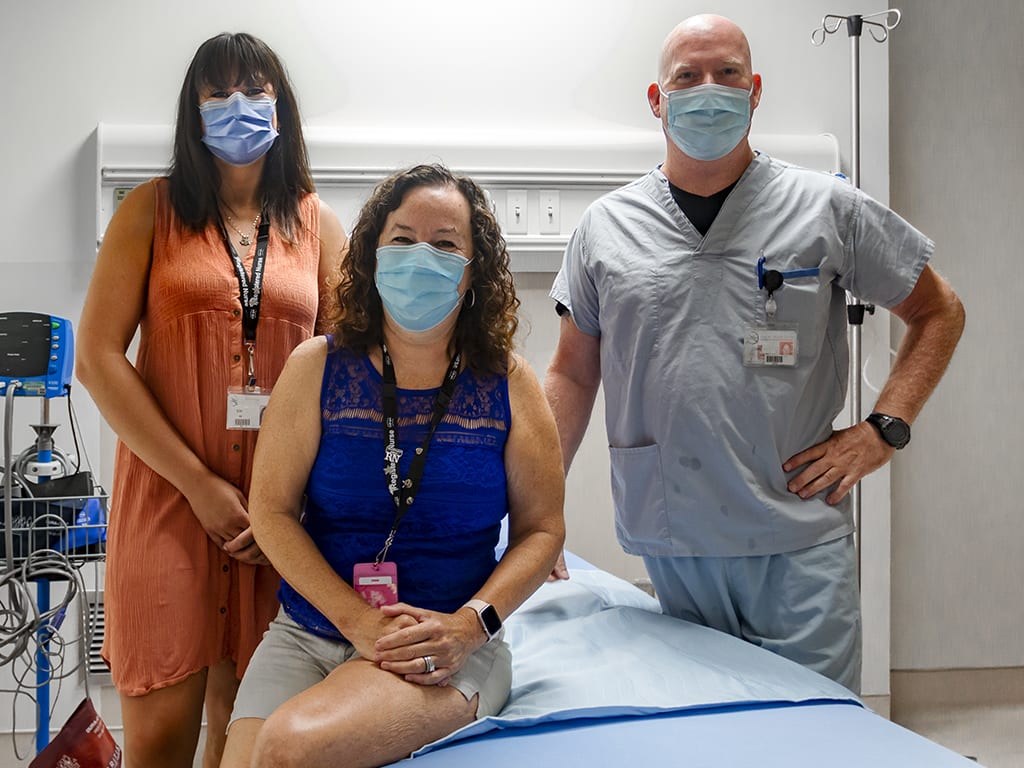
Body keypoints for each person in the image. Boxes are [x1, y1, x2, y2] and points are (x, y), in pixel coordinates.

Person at [543, 14, 964, 692]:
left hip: (796, 542)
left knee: (814, 740)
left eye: (727, 73)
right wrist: (540, 508)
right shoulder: (606, 228)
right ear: (658, 99)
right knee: (698, 740)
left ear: (755, 89)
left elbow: (939, 311)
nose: (708, 90)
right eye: (687, 76)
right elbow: (570, 373)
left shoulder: (826, 208)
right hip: (674, 541)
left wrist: (883, 429)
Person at [219, 163, 565, 768]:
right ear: (373, 255)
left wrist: (470, 626)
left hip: (446, 643)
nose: (420, 256)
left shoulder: (509, 383)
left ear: (472, 271)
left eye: (445, 244)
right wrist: (357, 623)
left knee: (287, 750)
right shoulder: (315, 369)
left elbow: (543, 530)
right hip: (311, 631)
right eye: (402, 239)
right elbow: (271, 513)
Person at [76, 32, 345, 768]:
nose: (238, 108)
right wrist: (198, 485)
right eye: (218, 94)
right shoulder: (147, 213)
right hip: (168, 499)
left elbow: (346, 372)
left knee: (249, 741)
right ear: (192, 113)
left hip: (280, 515)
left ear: (281, 108)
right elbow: (97, 359)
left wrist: (279, 500)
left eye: (255, 92)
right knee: (158, 742)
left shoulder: (318, 226)